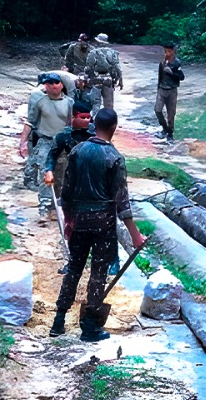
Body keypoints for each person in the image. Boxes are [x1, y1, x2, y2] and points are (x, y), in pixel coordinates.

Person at [51, 108, 147, 341]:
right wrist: (135, 235)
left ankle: (58, 321)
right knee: (98, 272)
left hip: (79, 220)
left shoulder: (77, 151)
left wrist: (68, 220)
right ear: (114, 127)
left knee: (73, 267)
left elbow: (66, 192)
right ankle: (90, 327)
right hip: (102, 223)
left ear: (94, 125)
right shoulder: (114, 158)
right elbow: (122, 202)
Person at [19, 73, 74, 216]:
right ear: (45, 85)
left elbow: (71, 123)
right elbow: (31, 122)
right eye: (50, 83)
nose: (53, 85)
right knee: (45, 172)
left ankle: (58, 202)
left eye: (56, 82)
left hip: (62, 142)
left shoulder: (69, 103)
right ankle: (44, 203)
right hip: (45, 141)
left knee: (62, 172)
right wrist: (23, 142)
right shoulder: (40, 102)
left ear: (61, 85)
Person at [154, 44, 185, 141]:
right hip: (162, 89)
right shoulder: (162, 62)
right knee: (157, 110)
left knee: (171, 113)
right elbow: (160, 75)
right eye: (165, 51)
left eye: (168, 51)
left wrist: (171, 72)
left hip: (172, 90)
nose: (166, 54)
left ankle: (170, 133)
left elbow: (181, 77)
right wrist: (158, 87)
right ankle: (164, 128)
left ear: (173, 51)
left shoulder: (176, 62)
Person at [86, 33, 123, 112]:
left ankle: (96, 121)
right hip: (108, 80)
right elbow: (118, 68)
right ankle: (109, 122)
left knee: (96, 103)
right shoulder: (112, 53)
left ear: (98, 42)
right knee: (109, 104)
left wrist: (88, 78)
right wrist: (120, 80)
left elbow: (89, 68)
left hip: (96, 80)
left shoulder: (93, 52)